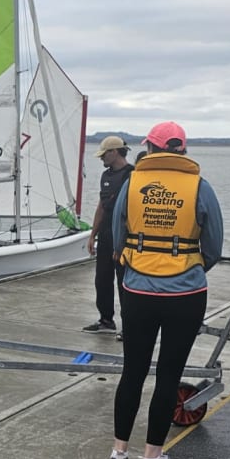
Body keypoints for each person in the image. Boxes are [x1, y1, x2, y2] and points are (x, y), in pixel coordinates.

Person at [106, 121, 223, 459]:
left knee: (133, 371)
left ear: (152, 149)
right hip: (185, 292)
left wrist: (136, 264)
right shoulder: (200, 186)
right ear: (182, 150)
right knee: (169, 374)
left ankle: (119, 453)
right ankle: (154, 458)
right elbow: (214, 244)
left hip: (138, 289)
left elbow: (117, 235)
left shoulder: (132, 183)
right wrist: (191, 265)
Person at [82, 136, 134, 335]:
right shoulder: (105, 176)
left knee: (124, 282)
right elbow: (102, 206)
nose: (101, 158)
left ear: (115, 152)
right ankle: (106, 321)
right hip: (105, 235)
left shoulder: (133, 175)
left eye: (104, 154)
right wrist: (92, 235)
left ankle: (129, 326)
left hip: (123, 237)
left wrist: (123, 243)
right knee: (102, 279)